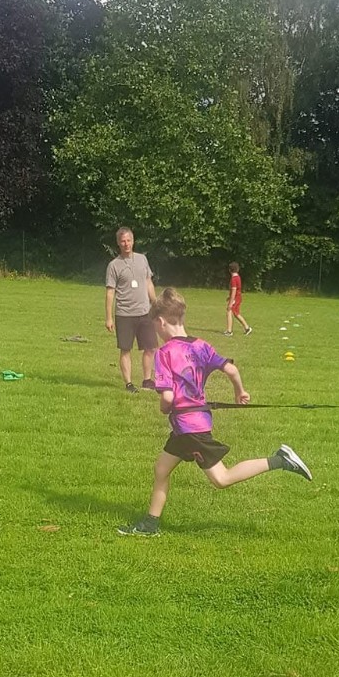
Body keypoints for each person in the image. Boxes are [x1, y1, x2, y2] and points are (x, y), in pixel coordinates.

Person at [118, 288, 311, 537]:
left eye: (156, 328)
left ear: (161, 322)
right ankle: (150, 524)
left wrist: (164, 407)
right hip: (188, 426)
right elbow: (231, 370)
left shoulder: (165, 353)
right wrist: (239, 392)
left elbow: (167, 398)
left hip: (190, 428)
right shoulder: (201, 346)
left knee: (222, 479)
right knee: (161, 469)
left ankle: (280, 460)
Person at [104, 227, 157, 391]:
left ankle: (147, 380)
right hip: (124, 314)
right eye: (123, 241)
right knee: (125, 349)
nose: (126, 244)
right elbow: (110, 292)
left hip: (144, 312)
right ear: (118, 243)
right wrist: (109, 317)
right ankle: (128, 383)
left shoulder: (142, 259)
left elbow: (148, 282)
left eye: (129, 240)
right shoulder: (114, 265)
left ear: (133, 241)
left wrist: (155, 303)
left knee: (150, 348)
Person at [225, 262, 252, 336]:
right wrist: (230, 297)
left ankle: (229, 331)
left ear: (230, 270)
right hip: (237, 297)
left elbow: (234, 291)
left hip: (236, 298)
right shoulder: (238, 277)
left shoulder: (234, 279)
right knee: (236, 313)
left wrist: (231, 302)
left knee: (229, 311)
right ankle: (247, 328)